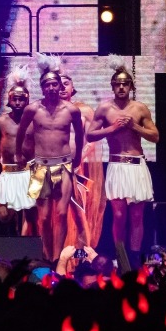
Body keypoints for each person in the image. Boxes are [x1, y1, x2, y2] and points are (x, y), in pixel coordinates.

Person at [86, 54, 159, 271]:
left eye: (125, 84)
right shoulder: (104, 108)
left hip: (136, 164)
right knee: (118, 215)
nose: (121, 87)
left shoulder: (140, 108)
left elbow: (155, 136)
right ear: (112, 86)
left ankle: (134, 259)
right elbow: (90, 135)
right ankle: (121, 256)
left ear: (131, 86)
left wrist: (134, 126)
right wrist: (113, 128)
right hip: (116, 164)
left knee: (137, 215)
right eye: (117, 84)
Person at [15, 54, 84, 262]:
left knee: (62, 213)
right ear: (42, 88)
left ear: (59, 86)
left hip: (64, 165)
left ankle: (57, 258)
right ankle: (47, 256)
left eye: (55, 84)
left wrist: (78, 156)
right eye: (48, 85)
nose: (52, 88)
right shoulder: (33, 109)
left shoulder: (71, 110)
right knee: (44, 217)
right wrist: (18, 153)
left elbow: (79, 135)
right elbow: (21, 132)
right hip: (40, 167)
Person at [58, 67, 105, 250]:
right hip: (52, 168)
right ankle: (56, 255)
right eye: (59, 83)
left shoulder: (83, 110)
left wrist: (77, 160)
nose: (62, 87)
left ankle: (84, 253)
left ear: (73, 87)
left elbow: (92, 140)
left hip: (75, 168)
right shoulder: (47, 111)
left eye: (66, 83)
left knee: (78, 211)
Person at [0, 65, 36, 236]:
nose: (17, 103)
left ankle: (29, 249)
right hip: (8, 173)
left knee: (31, 217)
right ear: (9, 100)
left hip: (29, 172)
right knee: (4, 217)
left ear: (27, 101)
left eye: (21, 99)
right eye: (14, 99)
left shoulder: (34, 121)